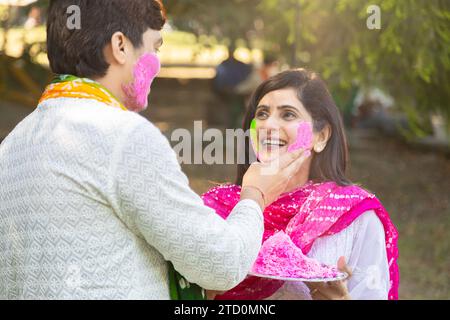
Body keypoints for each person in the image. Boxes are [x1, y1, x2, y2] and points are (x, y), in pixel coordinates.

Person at [0, 1, 308, 300]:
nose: (157, 65)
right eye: (155, 47)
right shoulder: (122, 136)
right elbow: (221, 264)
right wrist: (255, 193)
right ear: (120, 46)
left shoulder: (13, 145)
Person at [201, 69, 399, 300]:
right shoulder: (216, 209)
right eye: (262, 114)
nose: (268, 125)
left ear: (321, 136)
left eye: (288, 115)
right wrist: (204, 292)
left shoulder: (355, 217)